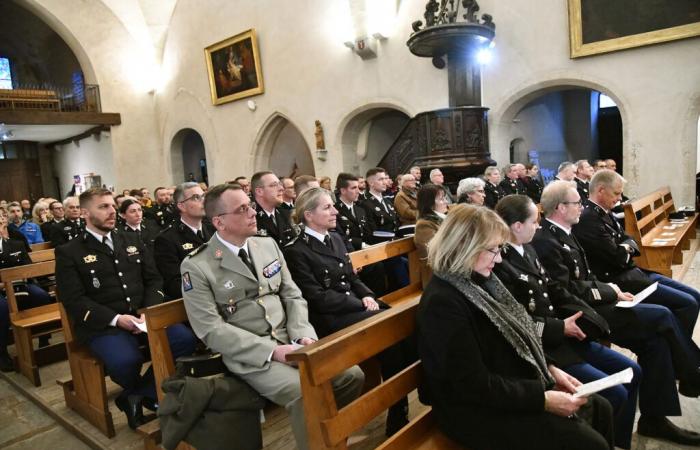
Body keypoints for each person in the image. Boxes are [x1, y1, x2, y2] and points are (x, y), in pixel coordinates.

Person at [180, 183, 364, 450]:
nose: (252, 213)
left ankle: (329, 438)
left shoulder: (267, 245)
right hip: (253, 355)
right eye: (242, 209)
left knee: (351, 375)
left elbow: (293, 295)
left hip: (292, 339)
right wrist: (273, 351)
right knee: (305, 392)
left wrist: (302, 334)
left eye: (251, 206)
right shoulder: (198, 265)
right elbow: (210, 329)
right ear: (219, 222)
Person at [417, 204, 614, 450]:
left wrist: (551, 369)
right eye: (493, 250)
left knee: (600, 408)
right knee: (589, 444)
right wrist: (541, 399)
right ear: (463, 246)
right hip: (474, 411)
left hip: (505, 386)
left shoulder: (481, 279)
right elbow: (470, 384)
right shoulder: (443, 303)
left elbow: (518, 335)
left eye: (500, 249)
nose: (499, 258)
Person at [533, 180, 700, 445]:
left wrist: (611, 290)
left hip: (598, 302)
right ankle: (692, 374)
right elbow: (568, 290)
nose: (582, 206)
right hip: (584, 315)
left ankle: (655, 420)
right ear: (561, 208)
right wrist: (611, 291)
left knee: (656, 342)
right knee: (661, 316)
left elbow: (588, 275)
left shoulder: (565, 230)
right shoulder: (547, 240)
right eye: (577, 203)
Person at [493, 195, 641, 449]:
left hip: (561, 336)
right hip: (542, 347)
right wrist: (560, 327)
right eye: (534, 221)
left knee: (633, 372)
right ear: (517, 226)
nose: (538, 227)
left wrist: (587, 315)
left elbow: (554, 289)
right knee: (614, 394)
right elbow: (514, 320)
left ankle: (620, 442)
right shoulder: (500, 261)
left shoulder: (527, 248)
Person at [55, 188, 196, 429]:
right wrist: (116, 319)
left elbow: (154, 279)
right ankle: (144, 394)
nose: (112, 211)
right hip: (104, 325)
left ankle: (136, 395)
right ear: (86, 213)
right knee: (125, 362)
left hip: (143, 316)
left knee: (185, 341)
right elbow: (74, 299)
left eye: (112, 206)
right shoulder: (70, 252)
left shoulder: (131, 240)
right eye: (104, 207)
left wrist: (149, 311)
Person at [283, 187, 412, 436]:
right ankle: (396, 410)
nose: (334, 212)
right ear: (309, 215)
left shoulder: (336, 238)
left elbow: (351, 277)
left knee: (401, 326)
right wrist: (360, 303)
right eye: (327, 207)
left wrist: (367, 295)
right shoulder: (296, 250)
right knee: (390, 329)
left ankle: (399, 405)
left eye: (333, 205)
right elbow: (317, 297)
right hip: (329, 319)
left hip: (352, 308)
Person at [574, 170, 700, 340]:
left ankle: (679, 353)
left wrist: (626, 247)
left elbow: (630, 240)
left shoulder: (604, 211)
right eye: (616, 193)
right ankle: (684, 359)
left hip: (635, 273)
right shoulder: (589, 218)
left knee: (695, 297)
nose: (620, 198)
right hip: (622, 281)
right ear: (601, 190)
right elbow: (617, 257)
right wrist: (626, 248)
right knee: (687, 304)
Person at [0, 206, 53, 372]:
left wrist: (22, 277)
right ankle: (2, 352)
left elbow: (28, 266)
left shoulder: (15, 241)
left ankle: (43, 337)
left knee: (41, 296)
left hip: (19, 283)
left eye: (1, 219)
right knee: (2, 308)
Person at [154, 182, 213, 300]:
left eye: (203, 196)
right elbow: (174, 283)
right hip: (197, 301)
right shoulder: (167, 239)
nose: (203, 201)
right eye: (196, 197)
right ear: (182, 206)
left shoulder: (213, 229)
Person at [252, 171, 298, 246]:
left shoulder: (285, 214)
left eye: (280, 184)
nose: (281, 188)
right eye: (274, 185)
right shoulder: (250, 218)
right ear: (259, 191)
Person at [414, 184, 447, 288]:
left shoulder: (444, 218)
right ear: (430, 203)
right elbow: (434, 252)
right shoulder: (424, 224)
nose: (446, 202)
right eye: (441, 199)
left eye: (445, 198)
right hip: (437, 276)